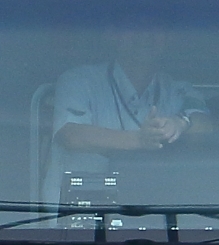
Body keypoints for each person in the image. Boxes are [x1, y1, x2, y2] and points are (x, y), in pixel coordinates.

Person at [52, 27, 208, 156]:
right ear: (112, 34)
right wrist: (139, 140)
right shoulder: (79, 80)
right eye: (134, 24)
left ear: (169, 37)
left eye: (155, 25)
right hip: (79, 193)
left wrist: (180, 123)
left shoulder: (179, 90)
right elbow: (70, 135)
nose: (146, 34)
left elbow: (205, 125)